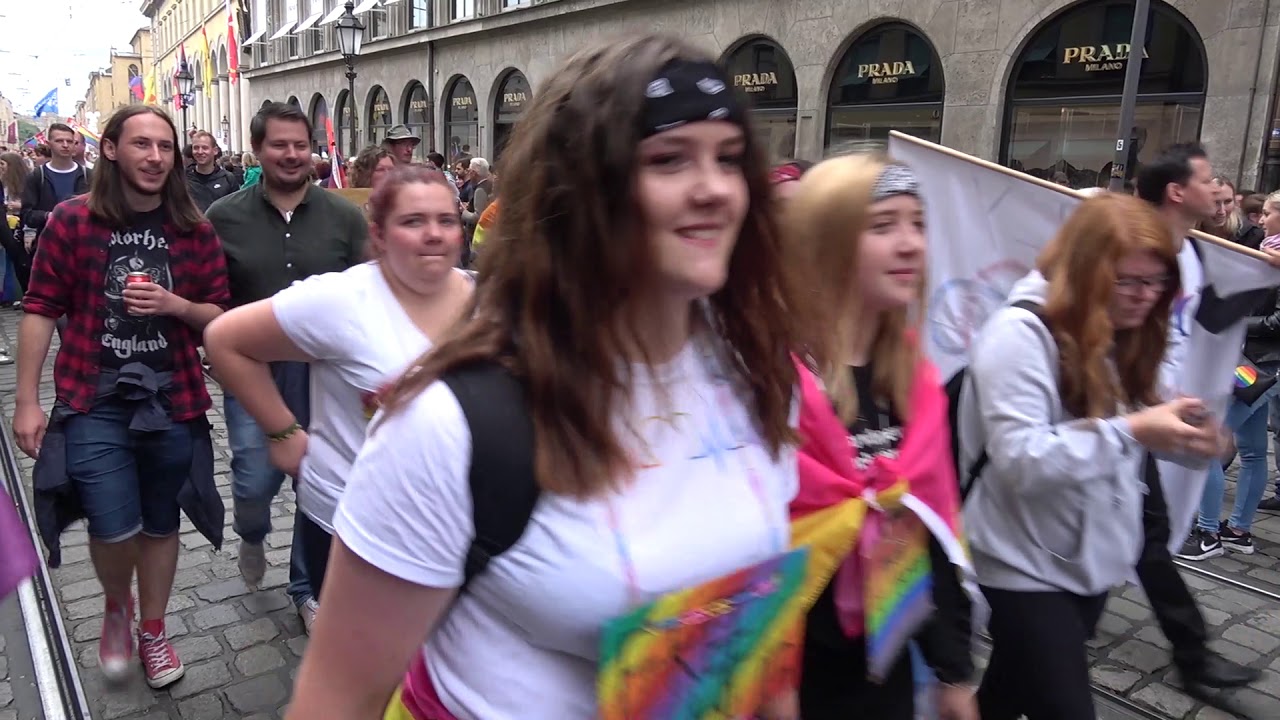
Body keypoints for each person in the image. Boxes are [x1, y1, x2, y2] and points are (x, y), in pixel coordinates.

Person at [286, 34, 807, 719]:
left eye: (729, 158)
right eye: (668, 159)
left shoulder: (758, 372)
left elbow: (758, 640)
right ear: (578, 191)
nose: (713, 188)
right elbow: (335, 698)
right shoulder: (450, 423)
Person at [960, 193, 1221, 719]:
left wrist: (1199, 442)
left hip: (1089, 561)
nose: (1146, 295)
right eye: (1129, 281)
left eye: (1158, 282)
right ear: (1086, 271)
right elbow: (1021, 459)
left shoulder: (1123, 331)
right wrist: (1133, 430)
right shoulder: (1018, 335)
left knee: (1004, 695)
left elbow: (1140, 432)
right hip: (1020, 561)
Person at [12, 105, 229, 689]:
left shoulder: (193, 228)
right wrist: (27, 400)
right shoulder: (72, 221)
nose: (156, 157)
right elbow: (40, 309)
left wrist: (175, 305)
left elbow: (219, 315)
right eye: (142, 144)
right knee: (112, 526)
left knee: (159, 523)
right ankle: (116, 608)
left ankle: (152, 631)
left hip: (172, 398)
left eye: (165, 146)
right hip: (94, 398)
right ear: (110, 149)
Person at [205, 165, 474, 627]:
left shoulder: (489, 299)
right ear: (379, 235)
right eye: (413, 221)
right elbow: (224, 340)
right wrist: (282, 432)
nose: (434, 233)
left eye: (446, 220)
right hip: (355, 523)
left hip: (455, 522)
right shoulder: (341, 300)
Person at [784, 155, 975, 720]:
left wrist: (953, 670)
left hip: (882, 664)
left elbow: (932, 527)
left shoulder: (914, 381)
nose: (911, 244)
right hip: (785, 677)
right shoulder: (772, 382)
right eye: (883, 225)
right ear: (828, 243)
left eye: (918, 223)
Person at [205, 102, 367, 632]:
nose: (293, 154)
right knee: (254, 479)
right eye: (280, 145)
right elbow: (210, 295)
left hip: (325, 375)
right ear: (258, 150)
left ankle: (306, 587)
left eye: (301, 145)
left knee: (314, 482)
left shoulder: (344, 216)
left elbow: (368, 291)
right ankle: (251, 534)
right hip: (254, 371)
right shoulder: (223, 216)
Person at [1131, 144, 1264, 693]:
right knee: (1146, 535)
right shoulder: (1131, 245)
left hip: (1149, 416)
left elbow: (1212, 314)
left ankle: (1190, 654)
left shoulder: (1189, 251)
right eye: (1207, 180)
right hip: (1119, 414)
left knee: (1148, 534)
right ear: (1177, 192)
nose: (1217, 190)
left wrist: (1272, 277)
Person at [20, 124, 90, 246]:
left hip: (83, 242)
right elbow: (27, 215)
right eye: (59, 141)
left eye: (69, 141)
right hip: (49, 242)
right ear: (49, 144)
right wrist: (50, 215)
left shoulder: (88, 175)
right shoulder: (37, 176)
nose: (65, 145)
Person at [185, 131, 240, 212]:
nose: (200, 152)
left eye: (205, 148)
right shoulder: (184, 179)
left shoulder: (228, 179)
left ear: (215, 151)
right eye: (196, 148)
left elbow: (236, 209)